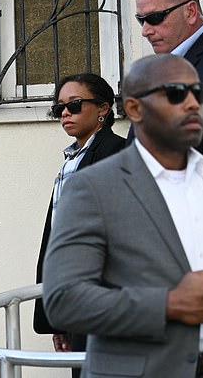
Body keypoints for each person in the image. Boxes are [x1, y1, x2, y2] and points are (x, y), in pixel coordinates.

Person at [42, 54, 203, 378]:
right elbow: (63, 300)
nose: (192, 104)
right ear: (135, 108)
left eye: (198, 93)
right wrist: (167, 304)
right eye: (175, 93)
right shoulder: (92, 188)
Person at [33, 73, 126, 378]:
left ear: (103, 108)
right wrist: (54, 317)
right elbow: (56, 237)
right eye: (59, 108)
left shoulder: (118, 153)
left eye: (74, 105)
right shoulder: (70, 161)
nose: (65, 114)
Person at [127, 0, 203, 168]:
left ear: (190, 12)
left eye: (155, 18)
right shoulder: (158, 68)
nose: (145, 31)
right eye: (140, 20)